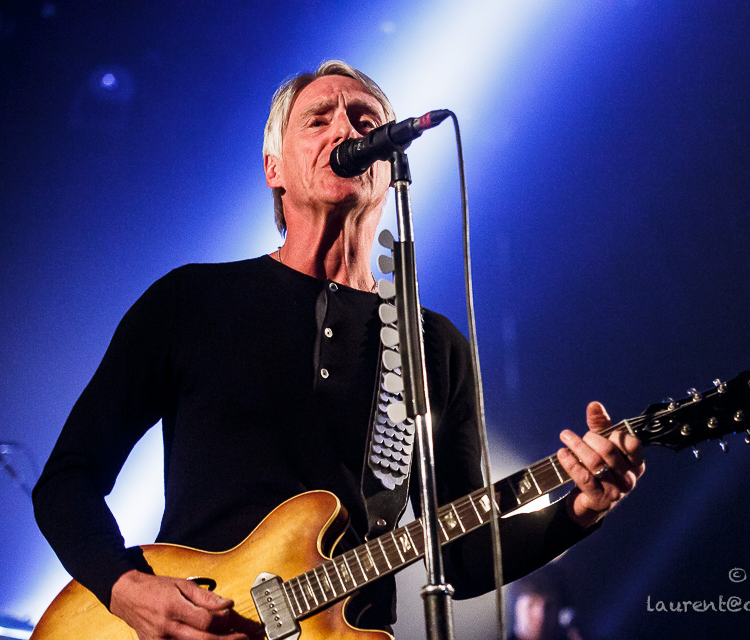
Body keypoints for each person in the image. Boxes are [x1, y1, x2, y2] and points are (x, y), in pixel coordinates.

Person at [32, 60, 645, 640]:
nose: (346, 131)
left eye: (365, 119)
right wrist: (126, 588)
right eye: (318, 119)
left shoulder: (432, 345)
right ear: (273, 168)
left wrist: (578, 511)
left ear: (389, 165)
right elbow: (67, 478)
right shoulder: (192, 301)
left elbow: (462, 559)